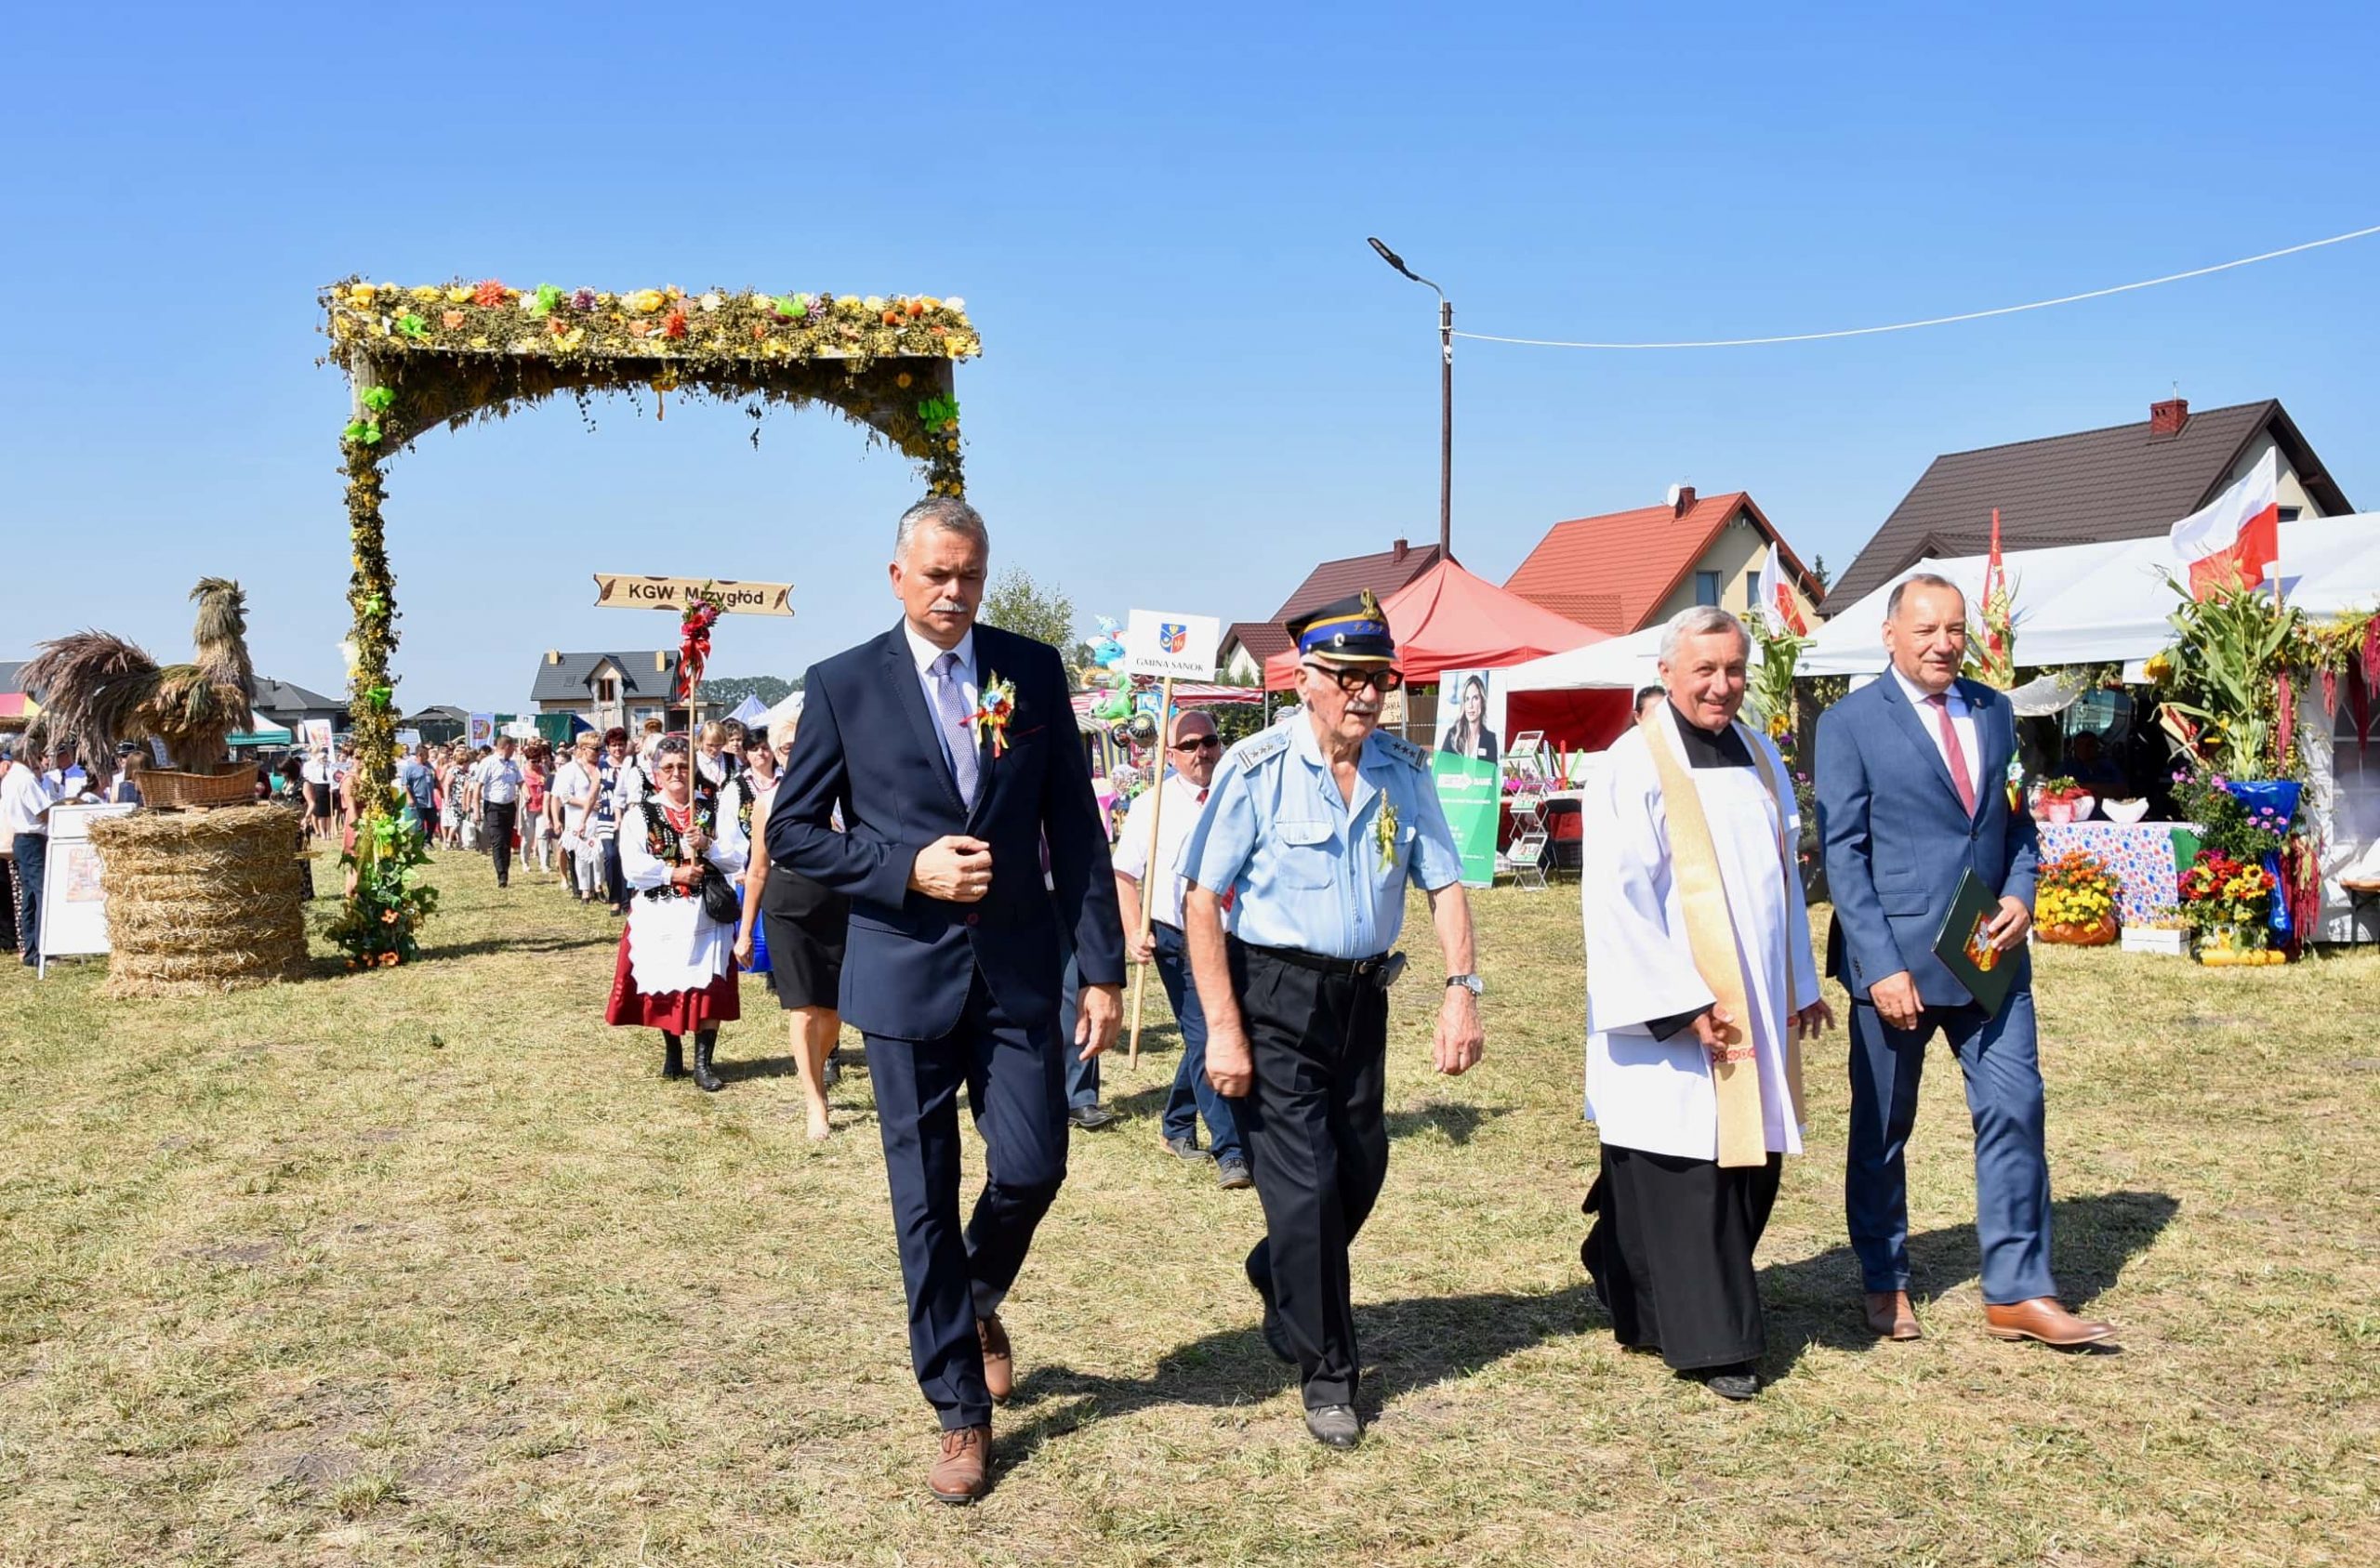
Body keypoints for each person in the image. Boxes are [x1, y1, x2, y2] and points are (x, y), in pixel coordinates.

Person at [770, 494, 1124, 1506]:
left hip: (1017, 968)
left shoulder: (1031, 669)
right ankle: (960, 1413)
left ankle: (972, 1293)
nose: (953, 593)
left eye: (968, 575)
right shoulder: (844, 685)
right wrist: (904, 867)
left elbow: (1074, 825)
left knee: (1034, 1161)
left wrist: (1100, 966)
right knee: (920, 1197)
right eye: (935, 575)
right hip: (902, 971)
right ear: (896, 576)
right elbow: (796, 831)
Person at [1181, 589, 1484, 1451]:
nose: (1366, 694)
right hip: (1274, 994)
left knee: (1361, 1165)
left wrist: (1462, 985)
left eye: (1377, 678)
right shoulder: (1254, 767)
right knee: (1308, 1186)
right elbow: (1202, 897)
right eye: (1348, 677)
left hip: (1361, 996)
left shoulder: (1403, 770)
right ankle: (1329, 1375)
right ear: (1306, 679)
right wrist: (1224, 1027)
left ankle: (1278, 1268)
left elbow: (1444, 880)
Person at [1816, 573, 2115, 1349]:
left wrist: (2023, 892)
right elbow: (1843, 856)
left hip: (1990, 950)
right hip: (1897, 965)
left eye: (1955, 629)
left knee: (2017, 1106)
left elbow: (2016, 826)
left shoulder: (1995, 709)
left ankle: (2019, 1290)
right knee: (1883, 1126)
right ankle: (1885, 1280)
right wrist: (1880, 966)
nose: (1945, 643)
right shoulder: (1848, 724)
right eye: (1927, 630)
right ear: (1889, 635)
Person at [1578, 607, 1833, 1403]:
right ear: (1667, 672)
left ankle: (1627, 1276)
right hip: (1676, 1004)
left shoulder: (1759, 753)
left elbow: (1783, 882)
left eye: (1734, 669)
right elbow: (1616, 898)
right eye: (1706, 671)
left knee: (1750, 1164)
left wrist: (1798, 984)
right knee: (1686, 1169)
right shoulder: (1630, 765)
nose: (1723, 685)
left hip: (1753, 996)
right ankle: (1715, 1339)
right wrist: (1676, 999)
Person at [1114, 708, 1249, 1189]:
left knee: (1221, 1031)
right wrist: (1134, 929)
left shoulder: (1239, 792)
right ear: (1170, 755)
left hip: (1237, 934)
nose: (1201, 753)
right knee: (1208, 1036)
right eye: (1189, 746)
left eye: (1208, 741)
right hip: (1179, 937)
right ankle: (1231, 1148)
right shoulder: (1152, 806)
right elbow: (1125, 874)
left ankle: (1176, 1122)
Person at [605, 737, 746, 1089]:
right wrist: (672, 873)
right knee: (665, 982)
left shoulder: (709, 810)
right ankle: (673, 1052)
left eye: (683, 766)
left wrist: (707, 845)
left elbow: (736, 856)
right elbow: (633, 866)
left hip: (705, 911)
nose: (677, 774)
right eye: (668, 767)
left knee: (710, 984)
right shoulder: (642, 814)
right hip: (662, 911)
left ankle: (703, 1063)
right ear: (656, 774)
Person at [733, 717, 849, 1140]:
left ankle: (816, 1070)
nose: (793, 753)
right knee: (803, 1009)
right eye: (785, 748)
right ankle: (815, 1101)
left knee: (834, 1011)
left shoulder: (841, 794)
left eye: (802, 744)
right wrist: (745, 931)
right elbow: (758, 869)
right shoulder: (768, 801)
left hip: (837, 905)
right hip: (787, 907)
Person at [3, 742, 60, 967]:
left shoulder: (10, 778)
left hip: (21, 839)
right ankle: (43, 952)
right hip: (32, 839)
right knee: (41, 894)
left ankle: (31, 951)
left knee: (30, 898)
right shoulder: (25, 779)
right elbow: (42, 812)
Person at [1436, 673, 1499, 763]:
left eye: (1475, 698)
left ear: (1482, 702)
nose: (1470, 705)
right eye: (1467, 699)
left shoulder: (1490, 739)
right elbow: (1440, 768)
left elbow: (1493, 772)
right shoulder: (1452, 735)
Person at [694, 720, 741, 806]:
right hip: (702, 815)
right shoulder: (694, 761)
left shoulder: (732, 759)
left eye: (718, 745)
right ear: (701, 741)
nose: (714, 750)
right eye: (710, 745)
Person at [522, 747, 553, 875]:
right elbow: (520, 785)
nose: (536, 764)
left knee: (543, 835)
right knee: (528, 837)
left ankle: (544, 864)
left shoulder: (543, 769)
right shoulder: (522, 771)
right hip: (529, 808)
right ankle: (525, 862)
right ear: (527, 760)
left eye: (538, 761)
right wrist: (525, 793)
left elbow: (549, 784)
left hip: (542, 807)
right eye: (533, 761)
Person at [395, 744, 436, 837]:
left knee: (433, 820)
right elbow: (405, 784)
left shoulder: (429, 766)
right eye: (426, 754)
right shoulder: (410, 768)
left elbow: (434, 780)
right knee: (419, 824)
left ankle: (428, 840)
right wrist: (409, 798)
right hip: (418, 800)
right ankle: (420, 843)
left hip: (429, 801)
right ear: (420, 755)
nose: (428, 757)